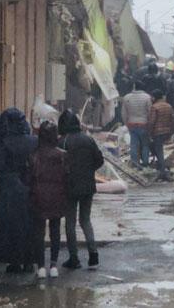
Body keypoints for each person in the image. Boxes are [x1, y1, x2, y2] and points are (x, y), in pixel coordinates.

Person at [0, 108, 38, 273]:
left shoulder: (5, 143)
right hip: (32, 189)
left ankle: (15, 261)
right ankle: (30, 261)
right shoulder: (34, 142)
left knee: (12, 228)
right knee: (30, 226)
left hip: (10, 191)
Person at [58, 109, 104, 270]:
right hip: (87, 186)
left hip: (69, 188)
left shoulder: (62, 142)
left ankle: (74, 258)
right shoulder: (88, 140)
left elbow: (58, 167)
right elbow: (99, 160)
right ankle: (93, 256)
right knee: (85, 220)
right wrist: (88, 170)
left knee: (70, 223)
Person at [27, 121, 68, 279]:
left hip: (38, 197)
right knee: (55, 231)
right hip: (57, 196)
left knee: (39, 232)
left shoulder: (33, 155)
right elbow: (67, 177)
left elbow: (28, 178)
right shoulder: (62, 155)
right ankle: (53, 265)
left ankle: (41, 266)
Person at [122, 80, 152, 169]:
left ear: (134, 87)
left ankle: (135, 163)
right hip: (144, 124)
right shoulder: (147, 97)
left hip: (131, 124)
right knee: (145, 144)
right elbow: (150, 111)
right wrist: (149, 124)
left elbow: (124, 113)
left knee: (134, 144)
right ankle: (145, 163)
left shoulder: (127, 97)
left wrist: (126, 123)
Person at [147, 89, 174, 182]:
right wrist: (171, 131)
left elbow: (151, 122)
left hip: (157, 132)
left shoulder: (154, 107)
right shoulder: (168, 106)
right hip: (166, 132)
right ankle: (162, 169)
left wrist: (149, 133)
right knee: (159, 150)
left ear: (155, 97)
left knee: (159, 151)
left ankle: (163, 172)